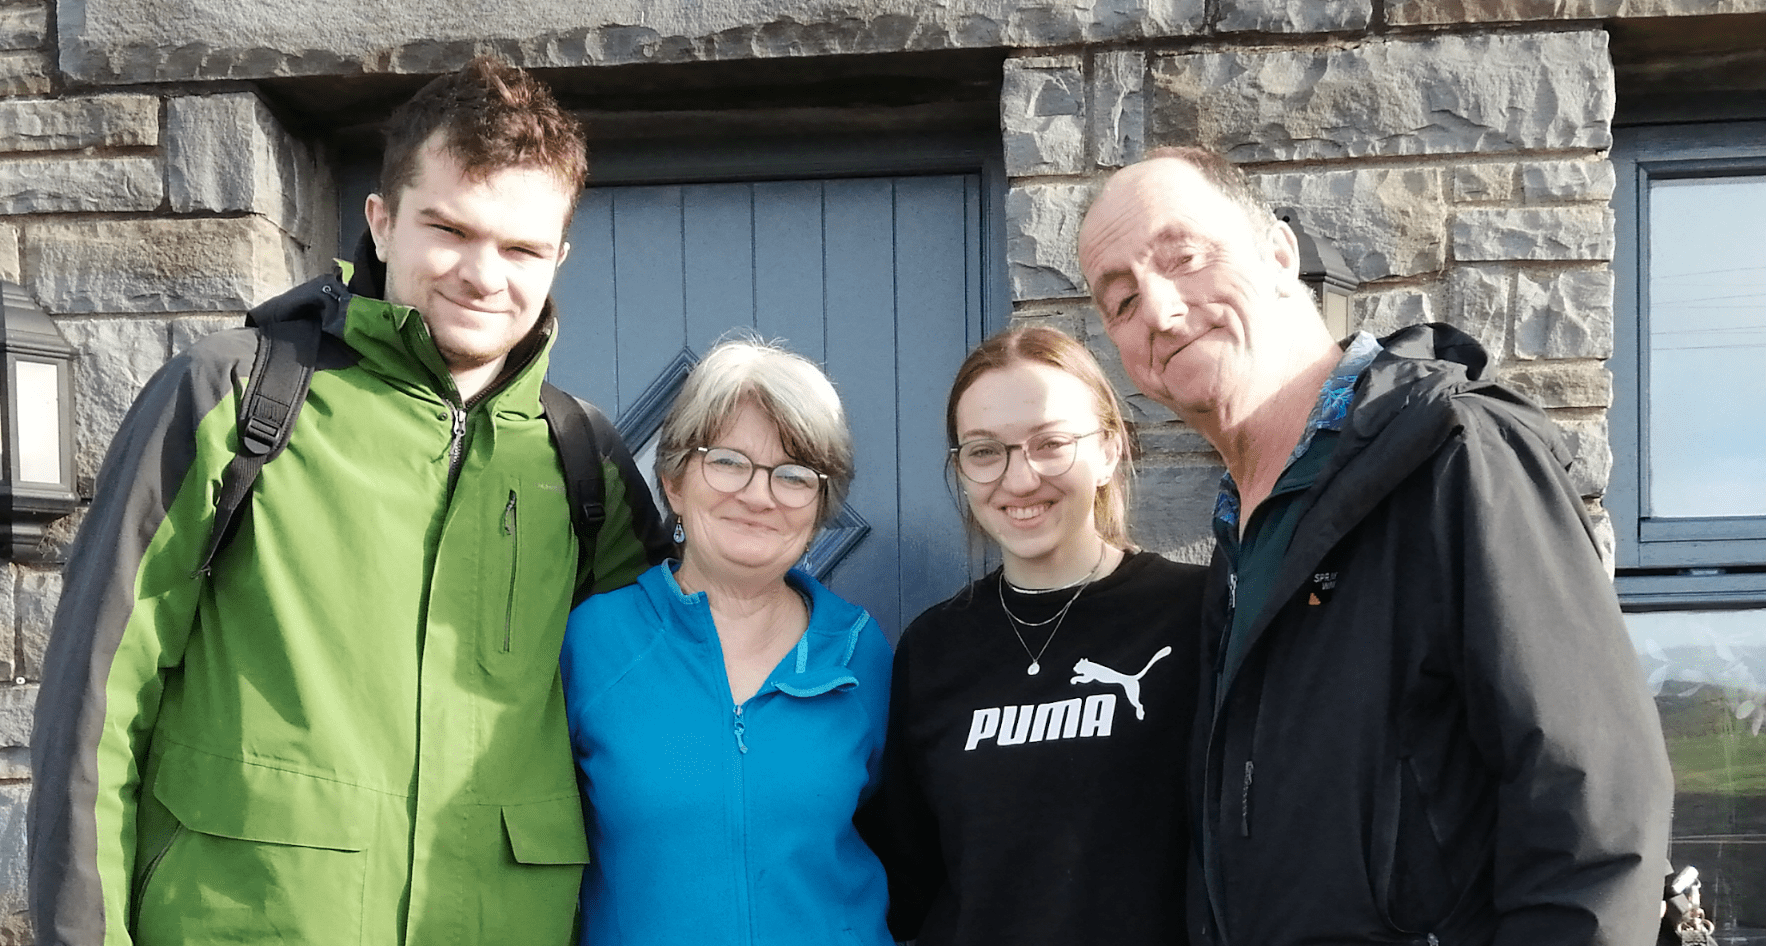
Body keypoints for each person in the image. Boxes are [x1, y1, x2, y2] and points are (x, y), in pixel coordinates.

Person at [29, 57, 670, 946]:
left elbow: (656, 728)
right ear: (381, 220)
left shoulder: (579, 457)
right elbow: (99, 698)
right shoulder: (231, 397)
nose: (485, 276)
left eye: (522, 248)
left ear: (557, 255)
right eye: (447, 228)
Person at [1077, 146, 1674, 945]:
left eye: (1183, 257)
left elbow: (1592, 809)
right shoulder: (1238, 544)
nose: (1157, 310)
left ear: (1279, 254)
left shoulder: (1456, 453)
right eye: (1119, 301)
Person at [861, 325, 1206, 946]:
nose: (1019, 480)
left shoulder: (1197, 614)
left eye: (1050, 443)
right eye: (985, 451)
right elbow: (910, 878)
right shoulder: (934, 648)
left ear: (1108, 449)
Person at [559, 336, 893, 946]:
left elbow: (904, 839)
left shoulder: (858, 650)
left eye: (794, 475)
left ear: (820, 507)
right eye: (728, 461)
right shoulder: (595, 640)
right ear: (675, 481)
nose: (759, 496)